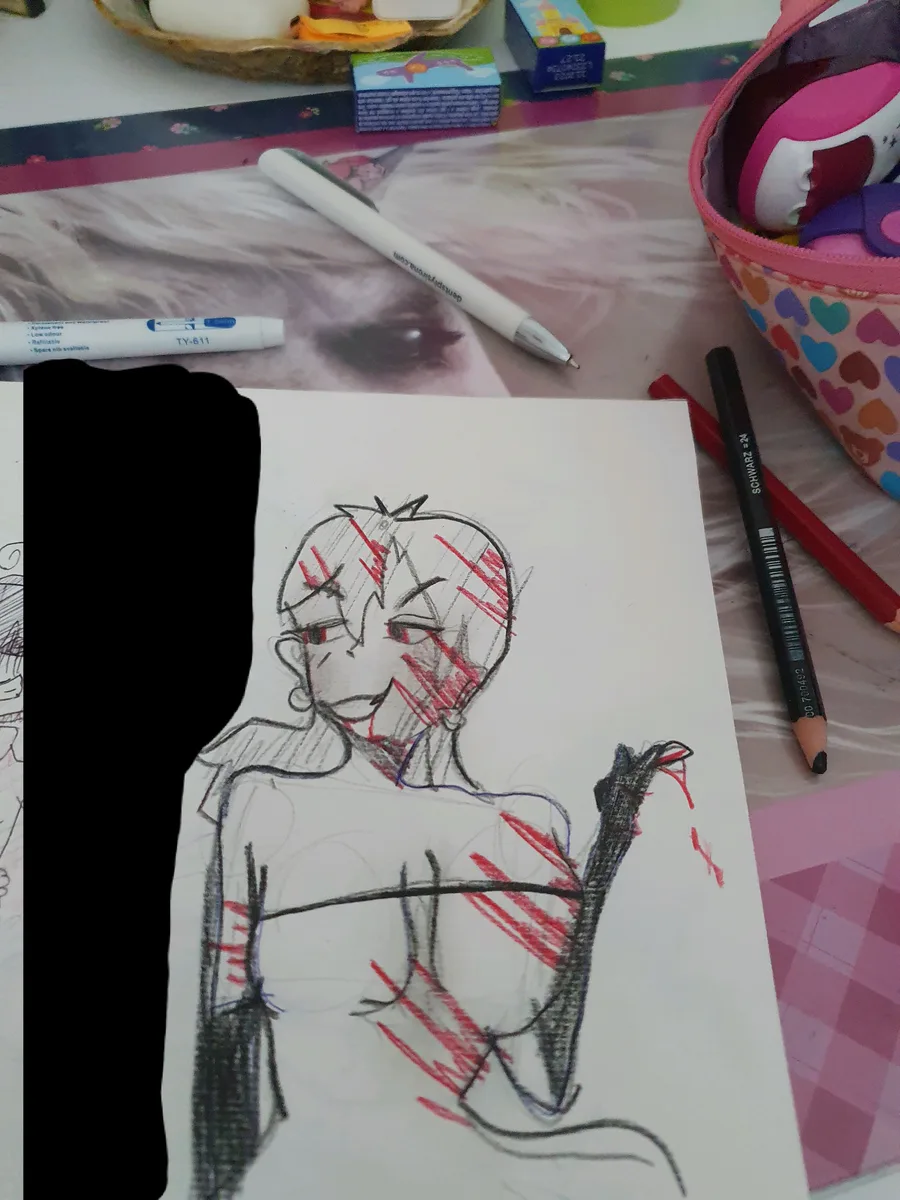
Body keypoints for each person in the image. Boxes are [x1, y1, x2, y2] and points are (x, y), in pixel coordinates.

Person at [189, 498, 691, 1200]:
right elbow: (223, 1042)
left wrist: (607, 853)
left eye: (409, 629)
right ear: (294, 655)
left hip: (476, 1168)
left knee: (643, 1166)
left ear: (474, 661)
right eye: (324, 628)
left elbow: (543, 1079)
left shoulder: (525, 827)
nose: (356, 655)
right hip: (314, 1171)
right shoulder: (263, 805)